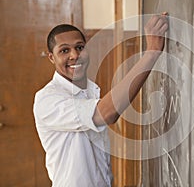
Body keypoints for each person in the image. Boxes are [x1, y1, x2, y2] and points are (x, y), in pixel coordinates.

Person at [33, 13, 169, 187]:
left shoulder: (90, 90)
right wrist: (151, 54)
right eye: (64, 50)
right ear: (51, 57)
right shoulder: (48, 99)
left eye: (80, 47)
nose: (74, 55)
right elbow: (106, 113)